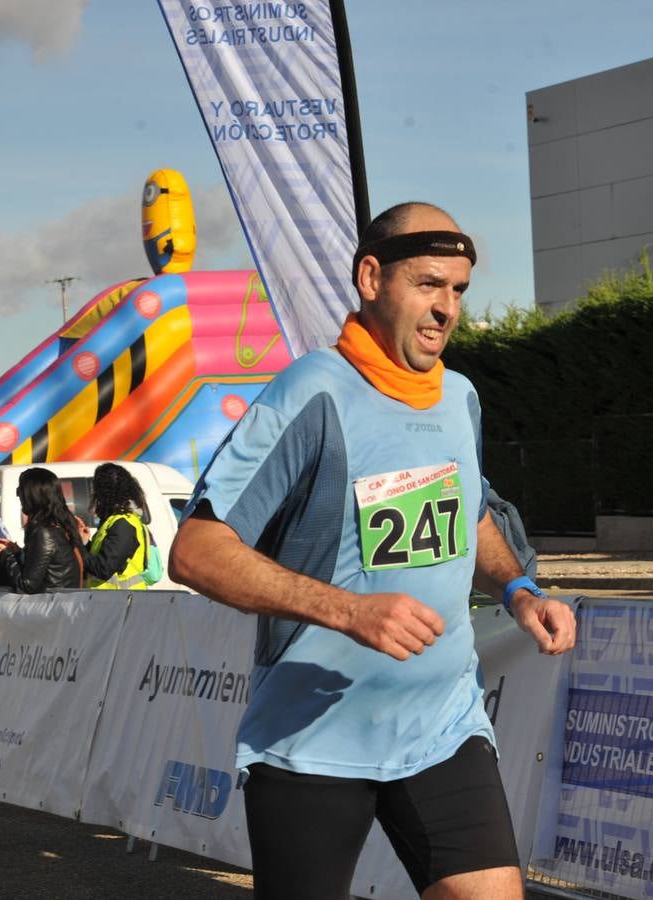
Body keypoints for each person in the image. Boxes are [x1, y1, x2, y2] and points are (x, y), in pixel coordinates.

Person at [168, 202, 577, 900]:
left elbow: (468, 511)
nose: (447, 308)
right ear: (370, 277)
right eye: (428, 284)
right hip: (316, 737)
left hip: (439, 724)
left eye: (458, 290)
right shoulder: (312, 392)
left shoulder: (460, 397)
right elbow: (196, 549)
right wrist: (349, 611)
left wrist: (518, 589)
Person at [0, 467, 84, 592]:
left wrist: (4, 556)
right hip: (61, 604)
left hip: (51, 606)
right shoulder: (59, 524)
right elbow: (46, 565)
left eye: (20, 491)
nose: (18, 496)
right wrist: (17, 552)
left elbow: (27, 584)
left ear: (32, 496)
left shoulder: (43, 532)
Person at [82, 462, 153, 590]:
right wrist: (85, 542)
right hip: (112, 601)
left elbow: (104, 569)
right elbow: (101, 560)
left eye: (96, 490)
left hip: (122, 602)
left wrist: (77, 546)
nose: (94, 494)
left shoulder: (124, 524)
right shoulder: (114, 521)